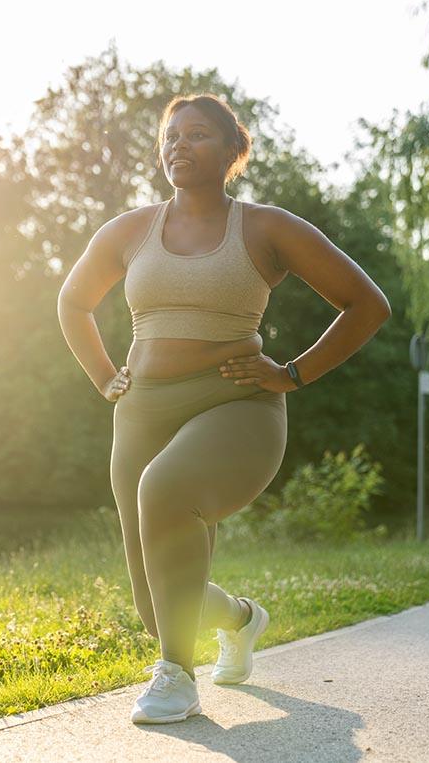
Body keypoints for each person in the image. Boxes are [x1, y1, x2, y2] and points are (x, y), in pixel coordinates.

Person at [56, 92, 391, 724]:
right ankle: (240, 619)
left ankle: (177, 677)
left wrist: (293, 373)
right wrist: (105, 378)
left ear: (233, 151)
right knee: (155, 606)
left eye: (199, 134)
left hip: (237, 403)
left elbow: (367, 305)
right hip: (143, 412)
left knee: (165, 490)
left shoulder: (266, 228)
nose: (179, 144)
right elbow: (72, 304)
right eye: (171, 135)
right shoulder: (130, 230)